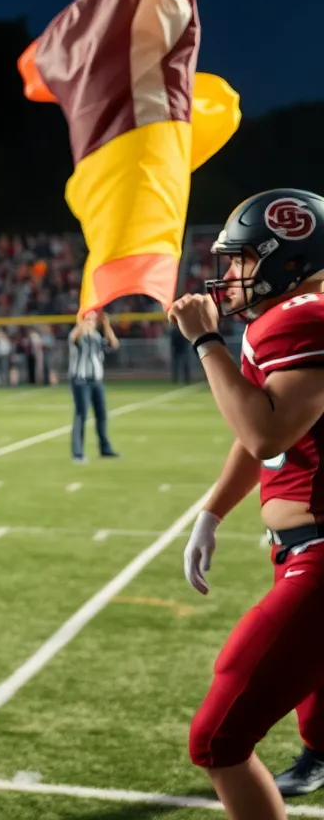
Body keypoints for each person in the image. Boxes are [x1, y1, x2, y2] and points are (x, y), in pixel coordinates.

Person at [172, 188, 324, 820]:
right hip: (304, 547)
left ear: (284, 257)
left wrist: (205, 343)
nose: (229, 276)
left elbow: (267, 431)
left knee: (218, 739)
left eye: (239, 261)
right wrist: (213, 511)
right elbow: (265, 432)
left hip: (318, 559)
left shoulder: (297, 319)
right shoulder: (307, 310)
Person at [67, 310, 119, 463]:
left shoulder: (97, 337)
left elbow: (113, 344)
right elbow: (75, 338)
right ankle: (77, 452)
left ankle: (105, 448)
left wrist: (106, 324)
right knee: (81, 415)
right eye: (88, 319)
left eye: (93, 319)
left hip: (96, 380)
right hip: (81, 380)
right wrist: (82, 322)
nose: (91, 322)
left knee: (101, 415)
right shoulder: (77, 335)